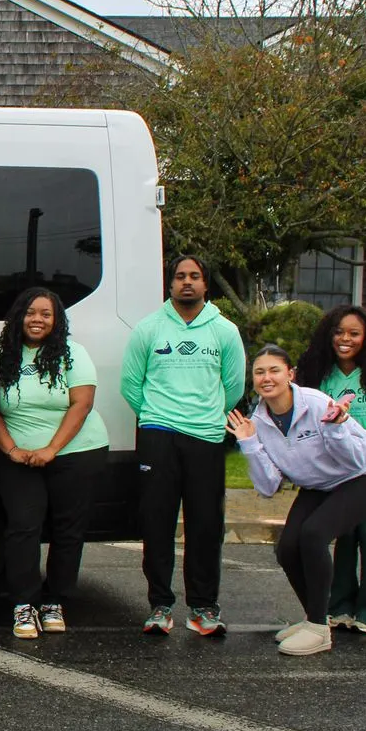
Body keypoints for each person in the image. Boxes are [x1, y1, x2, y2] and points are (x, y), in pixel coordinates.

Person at [227, 345, 366, 656]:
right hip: (318, 485)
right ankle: (315, 618)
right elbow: (268, 486)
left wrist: (336, 429)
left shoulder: (316, 404)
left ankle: (318, 629)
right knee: (288, 548)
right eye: (259, 372)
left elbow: (355, 461)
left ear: (291, 375)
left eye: (274, 370)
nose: (266, 377)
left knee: (314, 534)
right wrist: (249, 443)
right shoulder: (258, 422)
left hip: (364, 476)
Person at [120, 255, 245, 637]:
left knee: (206, 525)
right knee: (157, 522)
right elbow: (131, 384)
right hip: (158, 434)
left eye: (194, 277)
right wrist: (158, 415)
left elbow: (234, 386)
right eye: (179, 277)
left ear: (206, 285)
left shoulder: (224, 330)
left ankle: (204, 607)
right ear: (170, 284)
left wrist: (204, 416)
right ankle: (160, 606)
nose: (186, 282)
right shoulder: (149, 328)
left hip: (206, 436)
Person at [0, 286, 109, 639]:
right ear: (18, 317)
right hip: (18, 455)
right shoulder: (1, 356)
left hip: (75, 452)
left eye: (46, 314)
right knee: (23, 526)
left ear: (56, 321)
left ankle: (55, 601)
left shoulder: (73, 353)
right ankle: (24, 605)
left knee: (67, 530)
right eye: (30, 313)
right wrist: (10, 450)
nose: (37, 320)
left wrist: (52, 449)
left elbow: (81, 404)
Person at [297, 304, 366, 633]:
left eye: (354, 333)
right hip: (342, 465)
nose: (345, 339)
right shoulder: (319, 374)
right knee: (343, 530)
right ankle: (341, 606)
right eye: (338, 332)